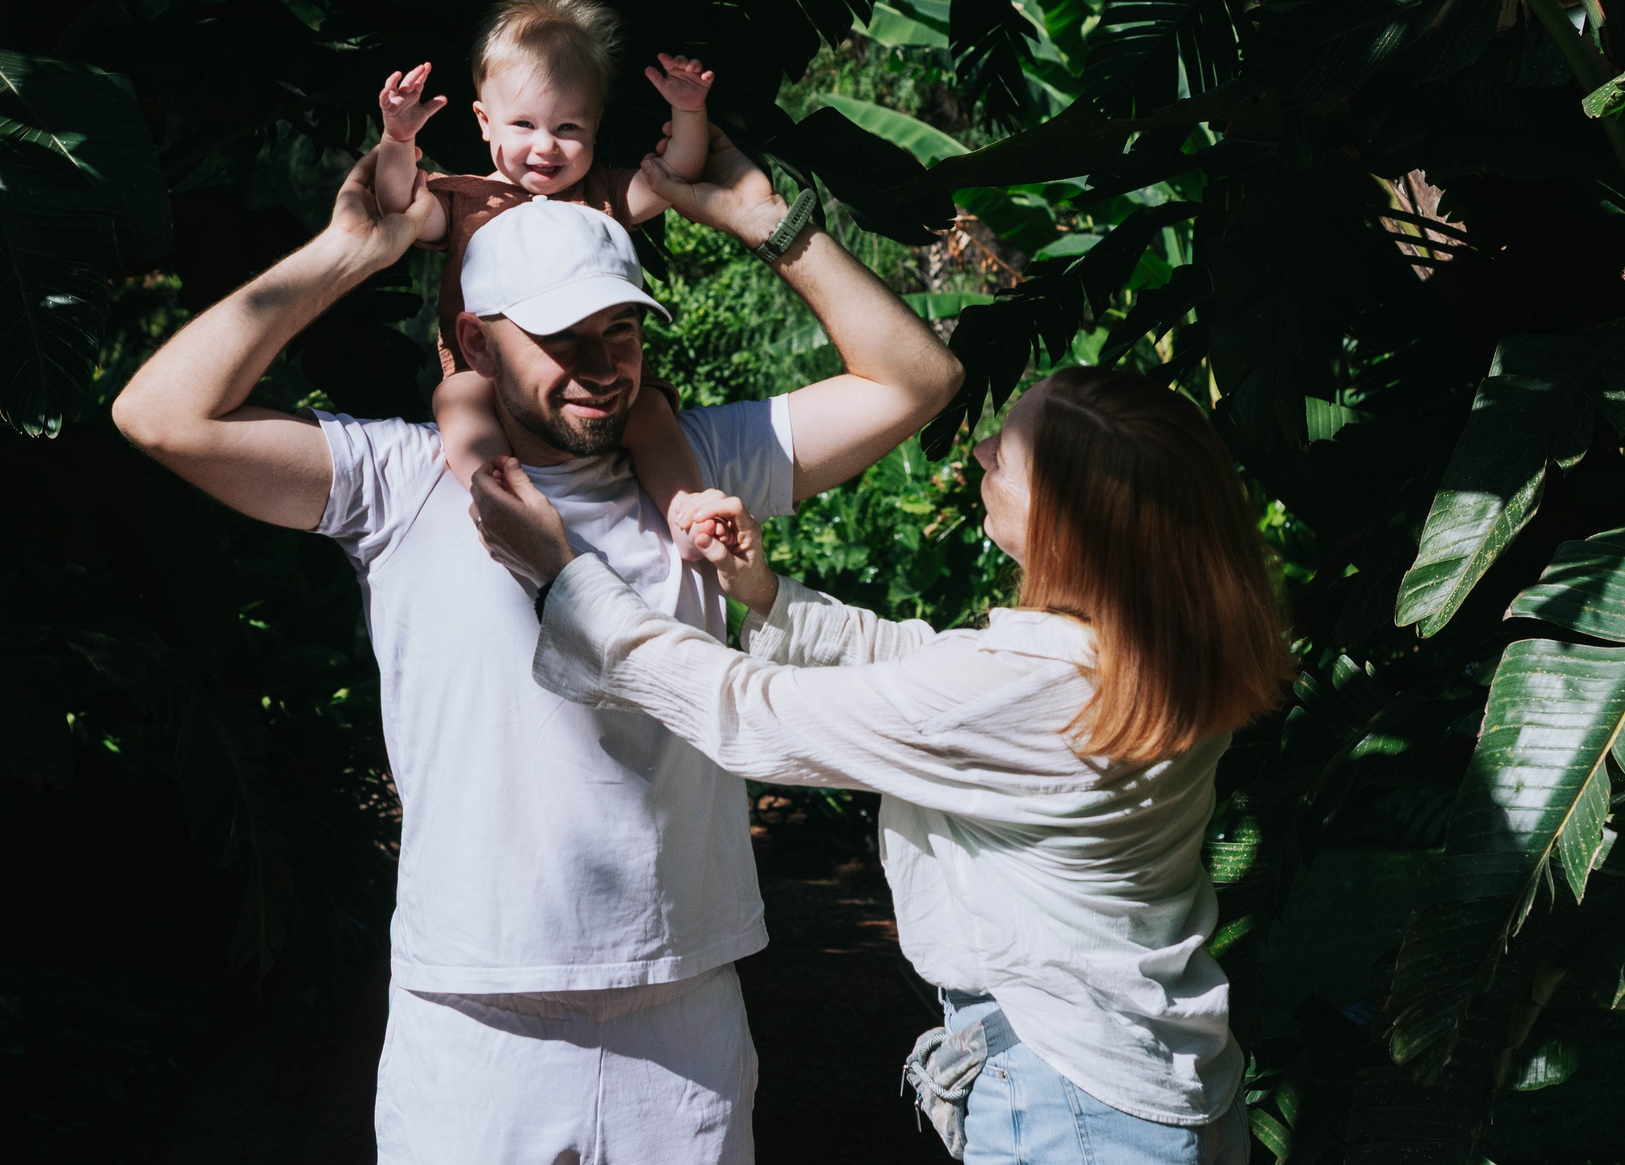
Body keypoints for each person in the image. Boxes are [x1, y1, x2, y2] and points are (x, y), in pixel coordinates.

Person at [108, 118, 961, 1164]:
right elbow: (158, 413)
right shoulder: (402, 478)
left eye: (622, 332)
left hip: (680, 999)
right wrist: (352, 249)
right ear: (473, 341)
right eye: (560, 338)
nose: (599, 367)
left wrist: (762, 218)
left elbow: (913, 379)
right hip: (474, 1013)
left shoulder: (694, 470)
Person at [468, 367, 1293, 1165]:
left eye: (1003, 453)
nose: (977, 456)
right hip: (1155, 1076)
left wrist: (563, 578)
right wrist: (764, 592)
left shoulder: (1041, 691)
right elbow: (928, 669)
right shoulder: (1152, 653)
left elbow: (750, 710)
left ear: (1064, 524)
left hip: (1072, 1104)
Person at [370, 0, 715, 552]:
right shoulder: (465, 200)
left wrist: (687, 111)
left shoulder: (603, 193)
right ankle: (493, 487)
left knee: (649, 408)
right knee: (457, 400)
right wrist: (397, 139)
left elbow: (675, 175)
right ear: (484, 122)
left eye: (568, 128)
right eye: (524, 125)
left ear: (596, 124)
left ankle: (685, 511)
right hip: (483, 370)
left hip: (596, 374)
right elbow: (399, 207)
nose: (546, 147)